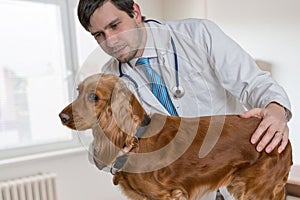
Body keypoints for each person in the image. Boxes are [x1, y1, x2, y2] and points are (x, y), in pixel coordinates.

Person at [77, 0, 292, 199]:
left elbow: (253, 82)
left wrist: (276, 108)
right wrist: (113, 155)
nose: (110, 41)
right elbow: (99, 152)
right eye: (99, 35)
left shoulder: (198, 34)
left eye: (115, 26)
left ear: (135, 12)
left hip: (237, 172)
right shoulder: (109, 83)